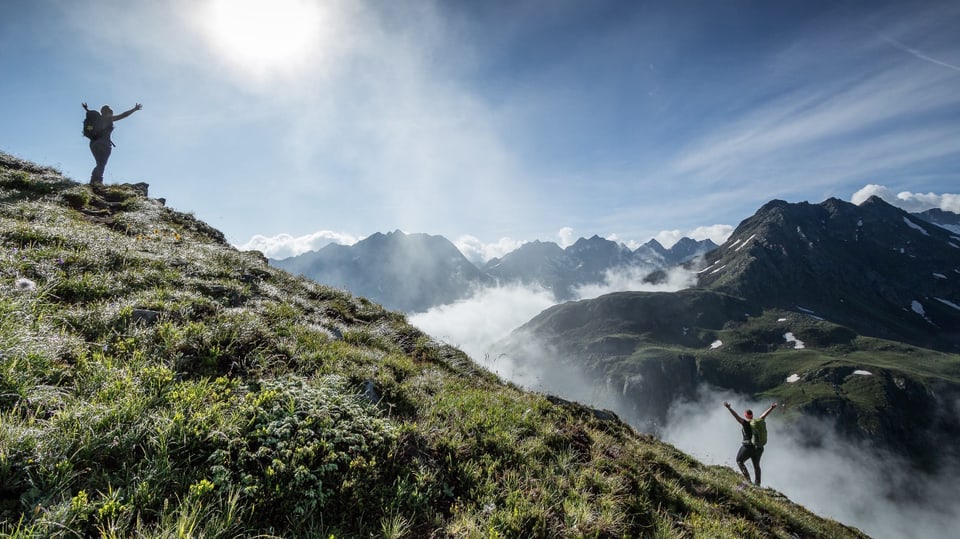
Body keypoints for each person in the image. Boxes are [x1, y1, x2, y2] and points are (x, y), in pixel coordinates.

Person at [82, 102, 142, 185]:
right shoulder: (109, 119)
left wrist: (86, 109)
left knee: (99, 163)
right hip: (104, 144)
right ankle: (96, 182)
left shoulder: (95, 119)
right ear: (109, 112)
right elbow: (124, 115)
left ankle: (95, 181)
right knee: (101, 164)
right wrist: (134, 109)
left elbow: (90, 118)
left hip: (93, 143)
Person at [724, 400, 777, 486]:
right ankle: (758, 484)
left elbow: (736, 416)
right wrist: (771, 408)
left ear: (745, 416)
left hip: (748, 447)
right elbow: (764, 415)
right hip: (759, 448)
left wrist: (729, 408)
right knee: (756, 465)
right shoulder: (757, 421)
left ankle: (748, 481)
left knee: (739, 461)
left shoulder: (745, 423)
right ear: (752, 415)